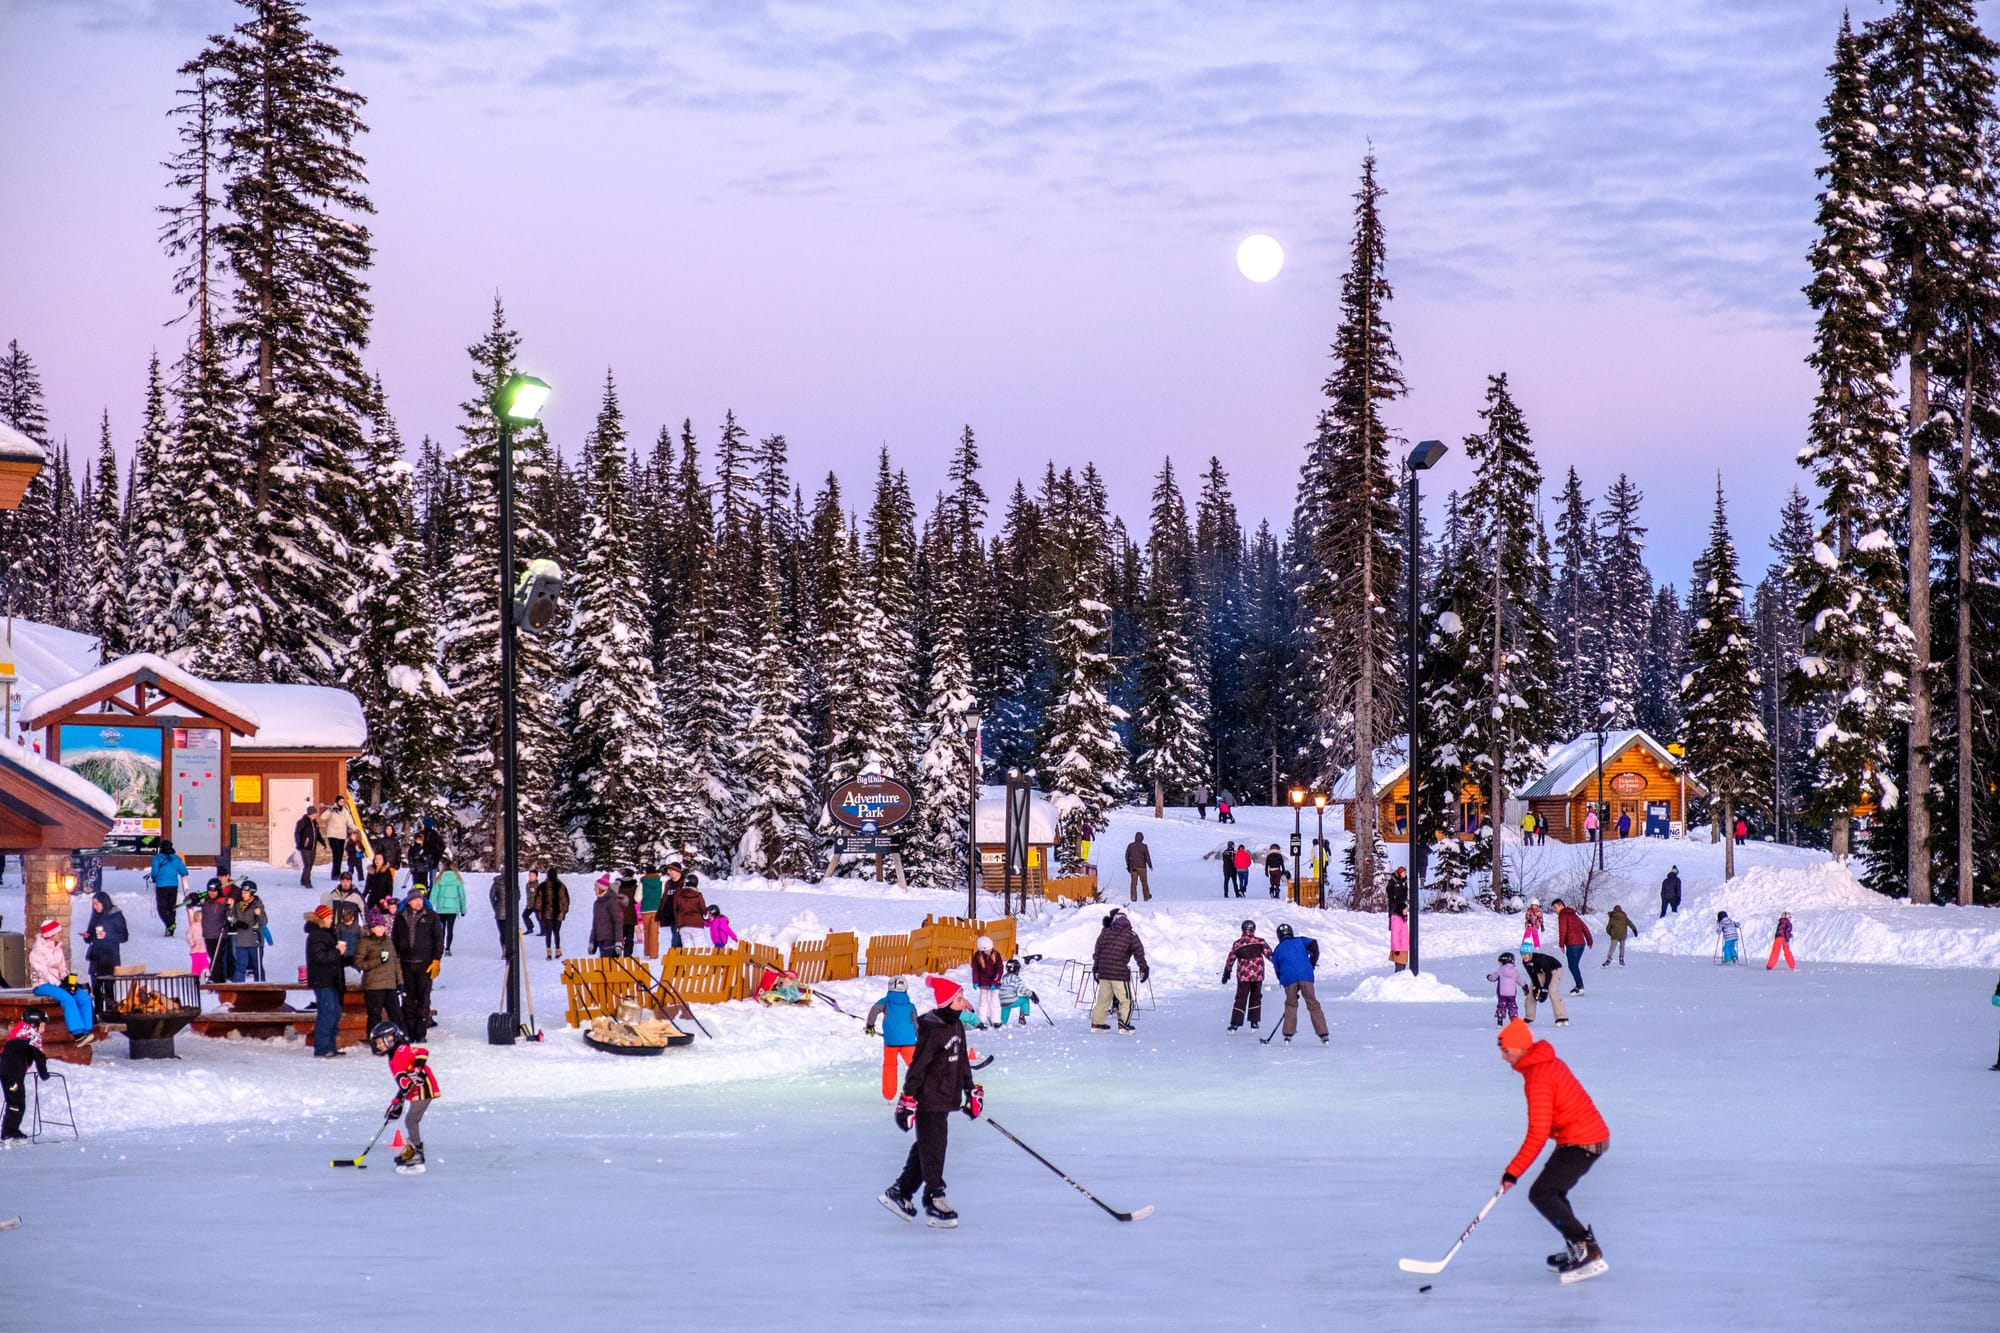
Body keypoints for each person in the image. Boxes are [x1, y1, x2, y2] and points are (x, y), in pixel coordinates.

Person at [1496, 1018, 1610, 1282]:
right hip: (1579, 1136)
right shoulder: (1542, 1064)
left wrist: (1512, 1172)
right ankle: (1577, 1245)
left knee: (1542, 1193)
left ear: (1523, 1048)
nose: (1503, 1057)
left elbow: (1537, 1134)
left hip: (1584, 1141)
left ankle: (1586, 1248)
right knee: (1552, 1191)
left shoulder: (1538, 1078)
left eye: (1506, 1050)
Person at [879, 977, 981, 1229]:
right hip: (929, 1099)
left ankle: (901, 1192)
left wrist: (971, 1089)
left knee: (927, 1145)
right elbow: (918, 1066)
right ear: (947, 1003)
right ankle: (934, 1197)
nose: (963, 1002)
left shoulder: (955, 1025)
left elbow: (962, 1064)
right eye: (958, 999)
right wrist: (908, 1098)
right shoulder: (932, 1029)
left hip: (946, 1097)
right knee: (934, 1147)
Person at [372, 1020, 441, 1172]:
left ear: (390, 1039)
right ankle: (414, 1150)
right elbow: (404, 1083)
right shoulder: (393, 1057)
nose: (377, 1046)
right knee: (411, 1120)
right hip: (415, 1090)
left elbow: (422, 1052)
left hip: (424, 1089)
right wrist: (398, 1101)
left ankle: (416, 1152)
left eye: (379, 1042)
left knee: (411, 1120)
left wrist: (417, 1068)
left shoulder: (401, 1050)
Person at [303, 905, 354, 1058]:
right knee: (327, 1013)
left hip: (332, 980)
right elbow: (320, 957)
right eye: (329, 917)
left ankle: (330, 1046)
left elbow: (330, 957)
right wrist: (337, 951)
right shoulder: (316, 935)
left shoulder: (327, 933)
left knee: (335, 1013)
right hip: (322, 980)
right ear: (322, 918)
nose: (332, 920)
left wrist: (345, 956)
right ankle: (322, 1048)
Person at [393, 891, 444, 1041]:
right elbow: (394, 939)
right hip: (405, 963)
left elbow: (438, 939)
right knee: (407, 1000)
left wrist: (436, 959)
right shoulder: (400, 917)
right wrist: (396, 959)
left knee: (423, 999)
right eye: (415, 900)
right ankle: (409, 1032)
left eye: (420, 900)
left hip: (425, 964)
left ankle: (421, 1033)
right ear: (409, 902)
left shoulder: (431, 916)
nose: (418, 902)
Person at [1089, 907, 1148, 1033]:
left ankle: (1097, 1024)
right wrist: (1144, 968)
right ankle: (1124, 1025)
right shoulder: (1131, 935)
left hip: (1104, 972)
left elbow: (1097, 951)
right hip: (1119, 974)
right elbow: (1139, 953)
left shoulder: (1106, 932)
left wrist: (1096, 968)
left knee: (1103, 999)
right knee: (1126, 1000)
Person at [1270, 922, 1328, 1044]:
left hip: (1289, 979)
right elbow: (1314, 944)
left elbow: (1277, 969)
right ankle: (1323, 1033)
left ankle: (1288, 1034)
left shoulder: (1278, 949)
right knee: (1312, 1003)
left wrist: (1286, 984)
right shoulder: (1301, 940)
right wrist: (1311, 963)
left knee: (1291, 1004)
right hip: (1306, 976)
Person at [2, 1009, 51, 1142]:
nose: (44, 1029)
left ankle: (9, 1130)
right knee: (17, 1103)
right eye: (42, 1025)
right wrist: (44, 1075)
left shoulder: (18, 1030)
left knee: (12, 1101)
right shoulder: (34, 1037)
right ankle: (9, 1132)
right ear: (34, 1023)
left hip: (4, 1068)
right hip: (14, 1072)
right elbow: (39, 1058)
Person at [866, 977, 919, 1099]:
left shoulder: (886, 1001)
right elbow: (916, 1023)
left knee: (890, 1066)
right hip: (909, 1041)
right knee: (915, 1065)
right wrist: (920, 1038)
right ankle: (917, 1091)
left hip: (891, 1041)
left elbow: (874, 1010)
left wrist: (870, 1025)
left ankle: (889, 1094)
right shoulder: (911, 1006)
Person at [355, 912, 402, 1034]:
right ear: (372, 928)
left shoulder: (388, 941)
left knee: (396, 1015)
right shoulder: (365, 942)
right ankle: (374, 1041)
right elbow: (359, 963)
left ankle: (400, 1039)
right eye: (378, 926)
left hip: (390, 985)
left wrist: (400, 982)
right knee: (374, 1017)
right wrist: (378, 961)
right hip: (374, 986)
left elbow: (395, 962)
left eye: (383, 926)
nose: (381, 929)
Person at [1221, 919, 1271, 1032]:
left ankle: (1235, 1023)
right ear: (1254, 929)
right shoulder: (1260, 942)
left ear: (1242, 929)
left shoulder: (1238, 943)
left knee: (1241, 998)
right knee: (1256, 997)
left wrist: (1227, 971)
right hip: (1258, 975)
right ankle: (1254, 1022)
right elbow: (1270, 955)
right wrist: (1281, 966)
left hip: (1243, 976)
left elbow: (1231, 959)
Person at [227, 882, 268, 982]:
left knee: (257, 965)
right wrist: (231, 909)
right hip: (242, 941)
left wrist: (259, 914)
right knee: (240, 965)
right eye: (242, 892)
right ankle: (238, 987)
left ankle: (260, 987)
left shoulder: (257, 904)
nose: (243, 894)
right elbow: (230, 918)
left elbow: (264, 921)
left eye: (246, 892)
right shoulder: (238, 905)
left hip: (255, 940)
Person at [148, 839, 189, 936]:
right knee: (171, 908)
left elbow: (154, 873)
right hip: (173, 886)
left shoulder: (157, 858)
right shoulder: (176, 858)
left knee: (162, 907)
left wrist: (154, 877)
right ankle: (170, 930)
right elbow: (184, 872)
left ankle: (170, 924)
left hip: (161, 886)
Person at [1553, 898, 1592, 994]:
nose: (1555, 910)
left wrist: (1561, 944)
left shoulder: (1562, 915)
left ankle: (1580, 986)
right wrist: (1589, 940)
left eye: (1555, 907)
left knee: (1573, 966)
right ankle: (1579, 985)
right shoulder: (1574, 915)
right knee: (1574, 966)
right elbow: (1584, 927)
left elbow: (1563, 930)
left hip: (1572, 944)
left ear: (1561, 906)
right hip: (1581, 944)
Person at [1519, 951, 1569, 1027]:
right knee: (1531, 993)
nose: (1524, 957)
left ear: (1530, 954)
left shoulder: (1540, 960)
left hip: (1554, 970)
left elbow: (1549, 974)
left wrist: (1544, 989)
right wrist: (1537, 987)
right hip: (1540, 972)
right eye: (1522, 955)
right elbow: (1532, 975)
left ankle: (1562, 1016)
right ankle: (1529, 1016)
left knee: (1552, 991)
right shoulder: (1525, 962)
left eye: (1525, 955)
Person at [428, 858, 467, 956]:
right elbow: (462, 896)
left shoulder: (439, 879)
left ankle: (439, 948)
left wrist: (429, 907)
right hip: (453, 908)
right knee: (450, 929)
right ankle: (448, 948)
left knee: (441, 929)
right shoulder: (458, 879)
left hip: (441, 908)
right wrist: (463, 909)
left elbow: (434, 895)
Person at [200, 876, 233, 983]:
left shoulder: (224, 901)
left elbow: (231, 913)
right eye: (210, 891)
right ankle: (217, 979)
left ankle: (218, 980)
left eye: (214, 891)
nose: (212, 893)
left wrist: (229, 915)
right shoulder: (205, 901)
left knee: (217, 958)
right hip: (208, 934)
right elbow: (193, 902)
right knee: (213, 956)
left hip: (219, 934)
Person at [533, 868, 570, 959]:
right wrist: (564, 911)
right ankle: (557, 950)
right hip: (558, 914)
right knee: (556, 932)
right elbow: (565, 900)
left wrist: (539, 911)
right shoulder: (561, 886)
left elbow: (538, 901)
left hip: (546, 913)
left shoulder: (542, 886)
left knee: (548, 933)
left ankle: (548, 952)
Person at [970, 935, 1004, 1029]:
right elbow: (975, 970)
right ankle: (981, 1020)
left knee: (995, 1001)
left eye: (989, 949)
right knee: (983, 1001)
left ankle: (996, 1020)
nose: (988, 952)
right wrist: (975, 981)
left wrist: (995, 981)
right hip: (983, 982)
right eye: (986, 950)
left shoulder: (996, 955)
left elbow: (1000, 969)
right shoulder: (977, 956)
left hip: (994, 983)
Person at [671, 871, 709, 951]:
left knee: (687, 947)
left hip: (683, 925)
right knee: (700, 947)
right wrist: (705, 915)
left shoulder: (678, 895)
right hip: (697, 924)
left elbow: (675, 910)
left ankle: (688, 963)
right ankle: (701, 962)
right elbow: (703, 909)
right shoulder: (698, 895)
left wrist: (678, 923)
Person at [589, 875, 622, 958]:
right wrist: (592, 941)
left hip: (610, 939)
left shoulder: (611, 901)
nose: (594, 890)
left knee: (605, 965)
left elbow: (617, 921)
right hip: (600, 939)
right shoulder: (597, 903)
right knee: (605, 966)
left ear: (601, 889)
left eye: (596, 888)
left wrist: (618, 941)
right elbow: (595, 923)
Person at [294, 802, 325, 887]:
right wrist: (299, 844)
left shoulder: (315, 823)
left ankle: (303, 879)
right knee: (307, 865)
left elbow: (317, 835)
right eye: (315, 813)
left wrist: (323, 842)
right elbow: (297, 833)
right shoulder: (302, 822)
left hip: (312, 847)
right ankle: (307, 882)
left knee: (310, 865)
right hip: (305, 847)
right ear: (311, 814)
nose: (316, 815)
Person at [997, 959, 1034, 1027]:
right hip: (1011, 1000)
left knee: (1006, 1008)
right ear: (1016, 970)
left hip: (1002, 1001)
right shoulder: (1015, 978)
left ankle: (1002, 1022)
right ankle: (1022, 1016)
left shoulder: (1003, 978)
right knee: (1025, 999)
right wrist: (1031, 995)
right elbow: (1022, 990)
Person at [638, 866, 665, 958]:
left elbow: (637, 898)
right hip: (656, 910)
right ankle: (654, 954)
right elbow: (663, 896)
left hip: (645, 910)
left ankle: (647, 952)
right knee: (654, 932)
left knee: (646, 931)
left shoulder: (643, 883)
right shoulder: (660, 883)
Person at [319, 800, 353, 873]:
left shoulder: (345, 812)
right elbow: (322, 817)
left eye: (343, 801)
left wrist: (355, 829)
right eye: (340, 801)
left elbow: (350, 822)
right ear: (337, 802)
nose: (342, 803)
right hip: (332, 835)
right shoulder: (332, 810)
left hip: (341, 836)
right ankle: (335, 873)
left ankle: (337, 872)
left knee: (340, 855)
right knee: (336, 853)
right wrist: (329, 810)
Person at [1488, 952, 1521, 1026]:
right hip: (1512, 994)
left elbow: (1493, 978)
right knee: (1512, 1006)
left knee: (1501, 1005)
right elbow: (1519, 980)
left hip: (1502, 993)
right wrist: (1525, 987)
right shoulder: (1515, 971)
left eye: (1499, 962)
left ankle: (1500, 1019)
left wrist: (1489, 977)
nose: (1499, 964)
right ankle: (1514, 1019)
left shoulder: (1500, 970)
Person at [1124, 832, 1152, 902]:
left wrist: (1128, 865)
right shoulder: (1144, 846)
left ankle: (1133, 897)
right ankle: (1146, 897)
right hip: (1142, 868)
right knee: (1144, 883)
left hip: (1133, 867)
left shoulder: (1130, 845)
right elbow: (1147, 857)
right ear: (1142, 838)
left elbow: (1126, 855)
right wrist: (1150, 865)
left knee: (1133, 883)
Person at [1389, 908, 1409, 973]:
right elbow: (1395, 936)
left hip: (1404, 948)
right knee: (1400, 970)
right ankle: (1396, 982)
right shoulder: (1397, 921)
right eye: (1405, 909)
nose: (1407, 911)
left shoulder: (1403, 920)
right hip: (1400, 949)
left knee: (1402, 967)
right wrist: (1396, 949)